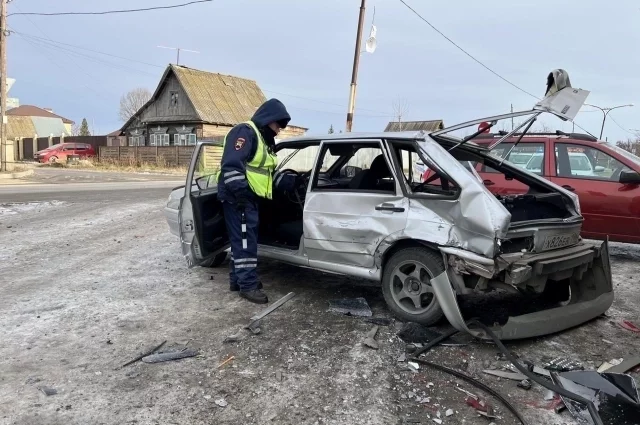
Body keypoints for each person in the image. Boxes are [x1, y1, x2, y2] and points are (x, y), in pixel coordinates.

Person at [216, 98, 296, 304]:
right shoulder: (245, 132)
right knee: (245, 242)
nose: (278, 131)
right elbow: (231, 168)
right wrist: (242, 195)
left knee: (241, 241)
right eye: (278, 126)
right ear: (269, 119)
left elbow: (263, 171)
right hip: (239, 198)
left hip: (248, 198)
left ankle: (237, 281)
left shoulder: (263, 139)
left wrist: (286, 181)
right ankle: (248, 286)